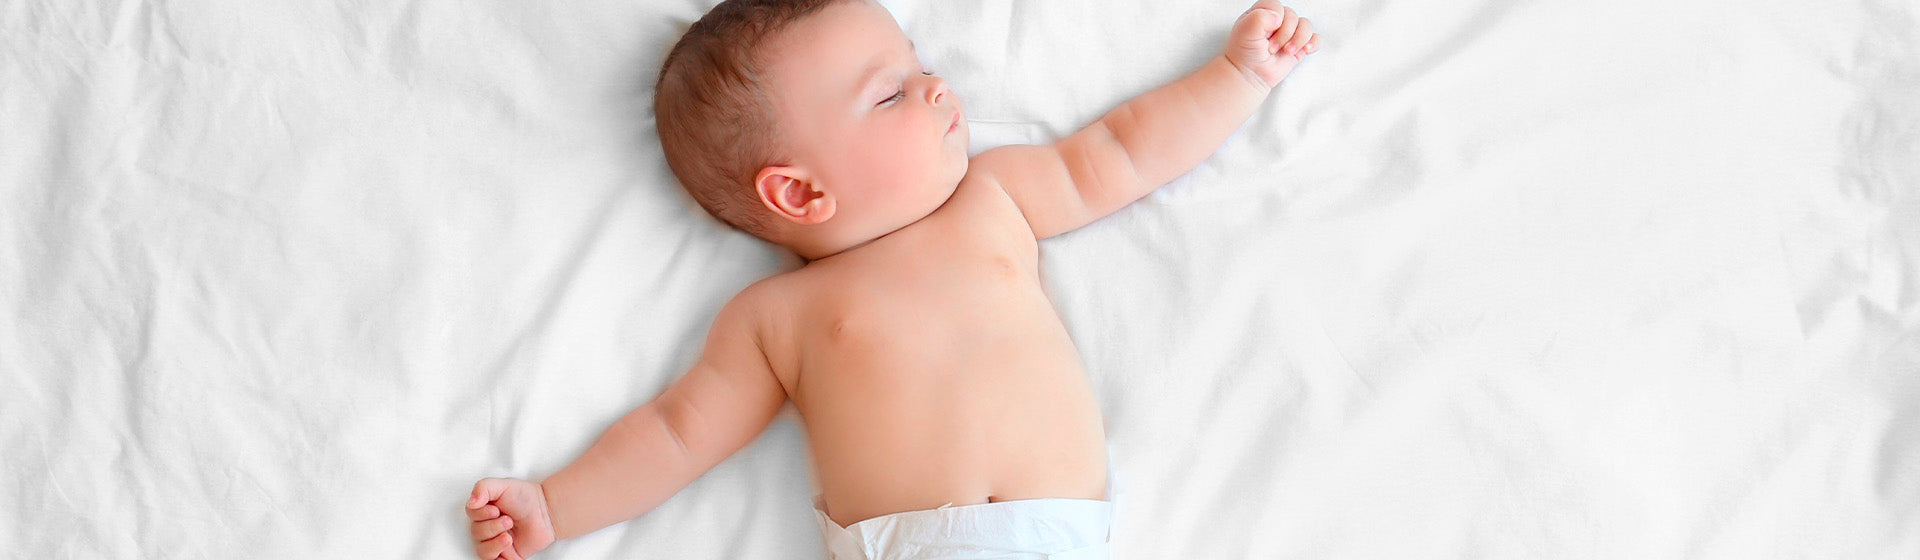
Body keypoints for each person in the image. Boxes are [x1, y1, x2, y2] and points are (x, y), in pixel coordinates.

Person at [465, 1, 1320, 557]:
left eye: (918, 66)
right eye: (890, 95)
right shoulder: (776, 317)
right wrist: (556, 506)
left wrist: (1239, 77)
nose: (936, 88)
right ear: (800, 192)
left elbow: (1119, 154)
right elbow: (677, 432)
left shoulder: (996, 197)